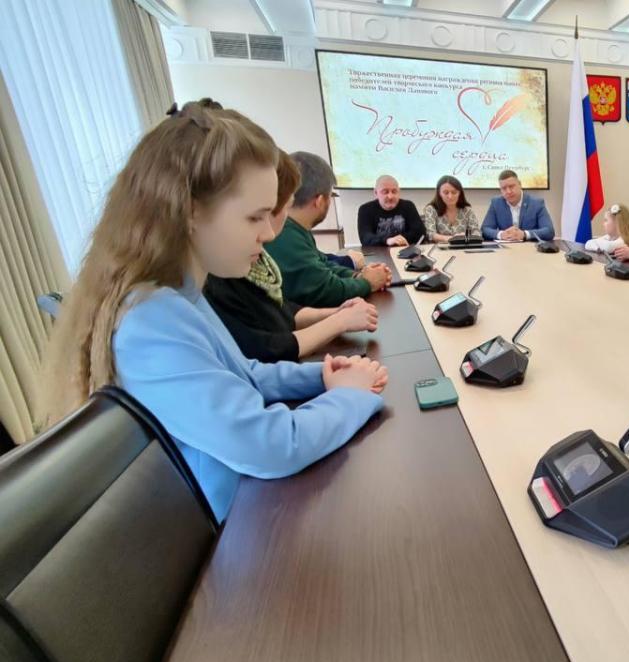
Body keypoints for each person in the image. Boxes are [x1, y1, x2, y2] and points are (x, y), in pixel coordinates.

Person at [42, 102, 388, 523]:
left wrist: (324, 374)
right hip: (232, 528)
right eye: (255, 217)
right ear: (189, 210)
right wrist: (351, 395)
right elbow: (273, 446)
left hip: (249, 506)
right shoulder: (150, 322)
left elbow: (247, 373)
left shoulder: (179, 294)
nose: (268, 233)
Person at [205, 151, 379, 363]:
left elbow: (282, 311)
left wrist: (337, 313)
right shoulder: (217, 278)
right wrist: (340, 320)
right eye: (256, 217)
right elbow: (264, 350)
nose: (269, 235)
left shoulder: (243, 263)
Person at [266, 151, 391, 307]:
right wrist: (367, 283)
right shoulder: (285, 234)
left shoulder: (295, 229)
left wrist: (357, 276)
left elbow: (323, 264)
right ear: (320, 201)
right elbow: (325, 291)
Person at [480, 169, 554, 242]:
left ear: (519, 184)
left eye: (511, 186)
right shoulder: (496, 203)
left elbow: (549, 231)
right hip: (505, 248)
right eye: (504, 188)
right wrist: (501, 234)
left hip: (529, 247)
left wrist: (524, 234)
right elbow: (485, 230)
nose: (508, 191)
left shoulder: (536, 203)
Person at [357, 174, 425, 247]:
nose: (390, 196)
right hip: (378, 251)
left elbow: (420, 233)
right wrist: (387, 240)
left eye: (394, 191)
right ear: (376, 193)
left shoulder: (408, 206)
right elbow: (365, 237)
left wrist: (398, 240)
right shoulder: (365, 209)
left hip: (405, 249)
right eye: (385, 192)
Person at [422, 175, 479, 243]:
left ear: (459, 193)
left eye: (454, 192)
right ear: (439, 193)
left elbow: (477, 233)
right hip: (440, 247)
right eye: (446, 193)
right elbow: (430, 234)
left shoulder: (467, 210)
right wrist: (453, 239)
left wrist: (466, 236)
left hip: (463, 247)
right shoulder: (431, 209)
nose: (450, 196)